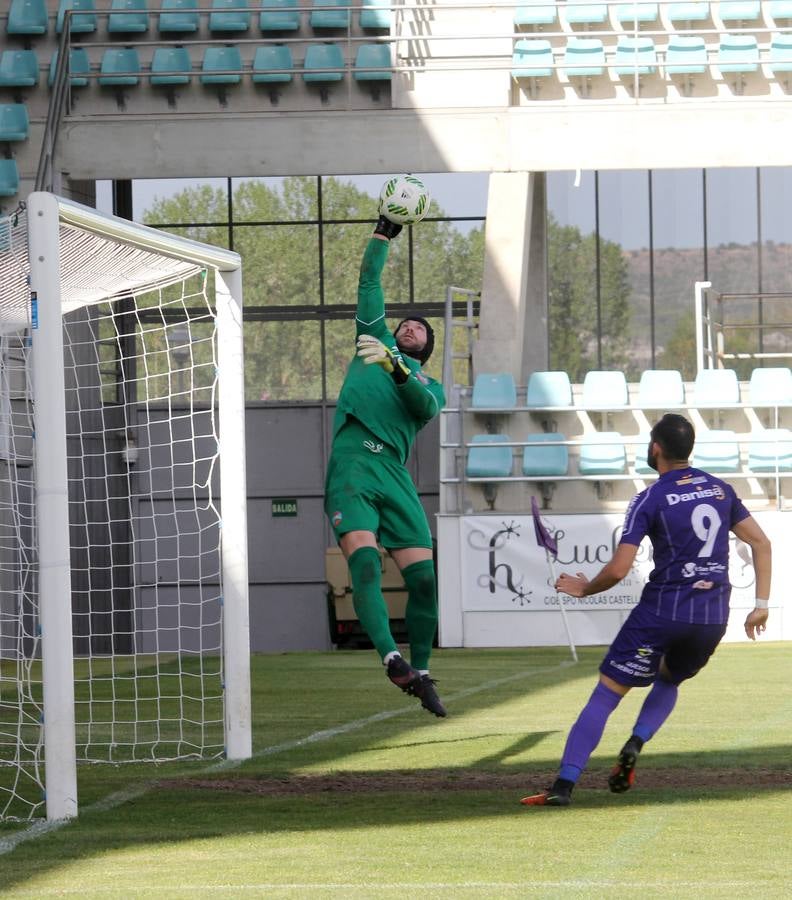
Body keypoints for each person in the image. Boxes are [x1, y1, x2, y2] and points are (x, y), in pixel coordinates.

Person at [521, 413, 772, 806]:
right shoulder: (721, 490)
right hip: (710, 618)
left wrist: (585, 589)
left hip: (661, 613)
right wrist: (760, 605)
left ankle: (563, 786)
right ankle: (636, 742)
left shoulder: (650, 498)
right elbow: (762, 543)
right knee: (669, 680)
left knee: (606, 695)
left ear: (656, 449)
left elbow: (620, 569)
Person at [324, 211, 447, 717]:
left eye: (419, 328)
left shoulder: (427, 385)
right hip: (354, 461)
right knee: (366, 564)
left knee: (423, 581)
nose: (410, 325)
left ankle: (421, 670)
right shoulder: (370, 341)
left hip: (394, 474)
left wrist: (396, 364)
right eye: (405, 324)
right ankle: (392, 657)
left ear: (425, 350)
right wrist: (384, 231)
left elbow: (422, 407)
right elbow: (369, 281)